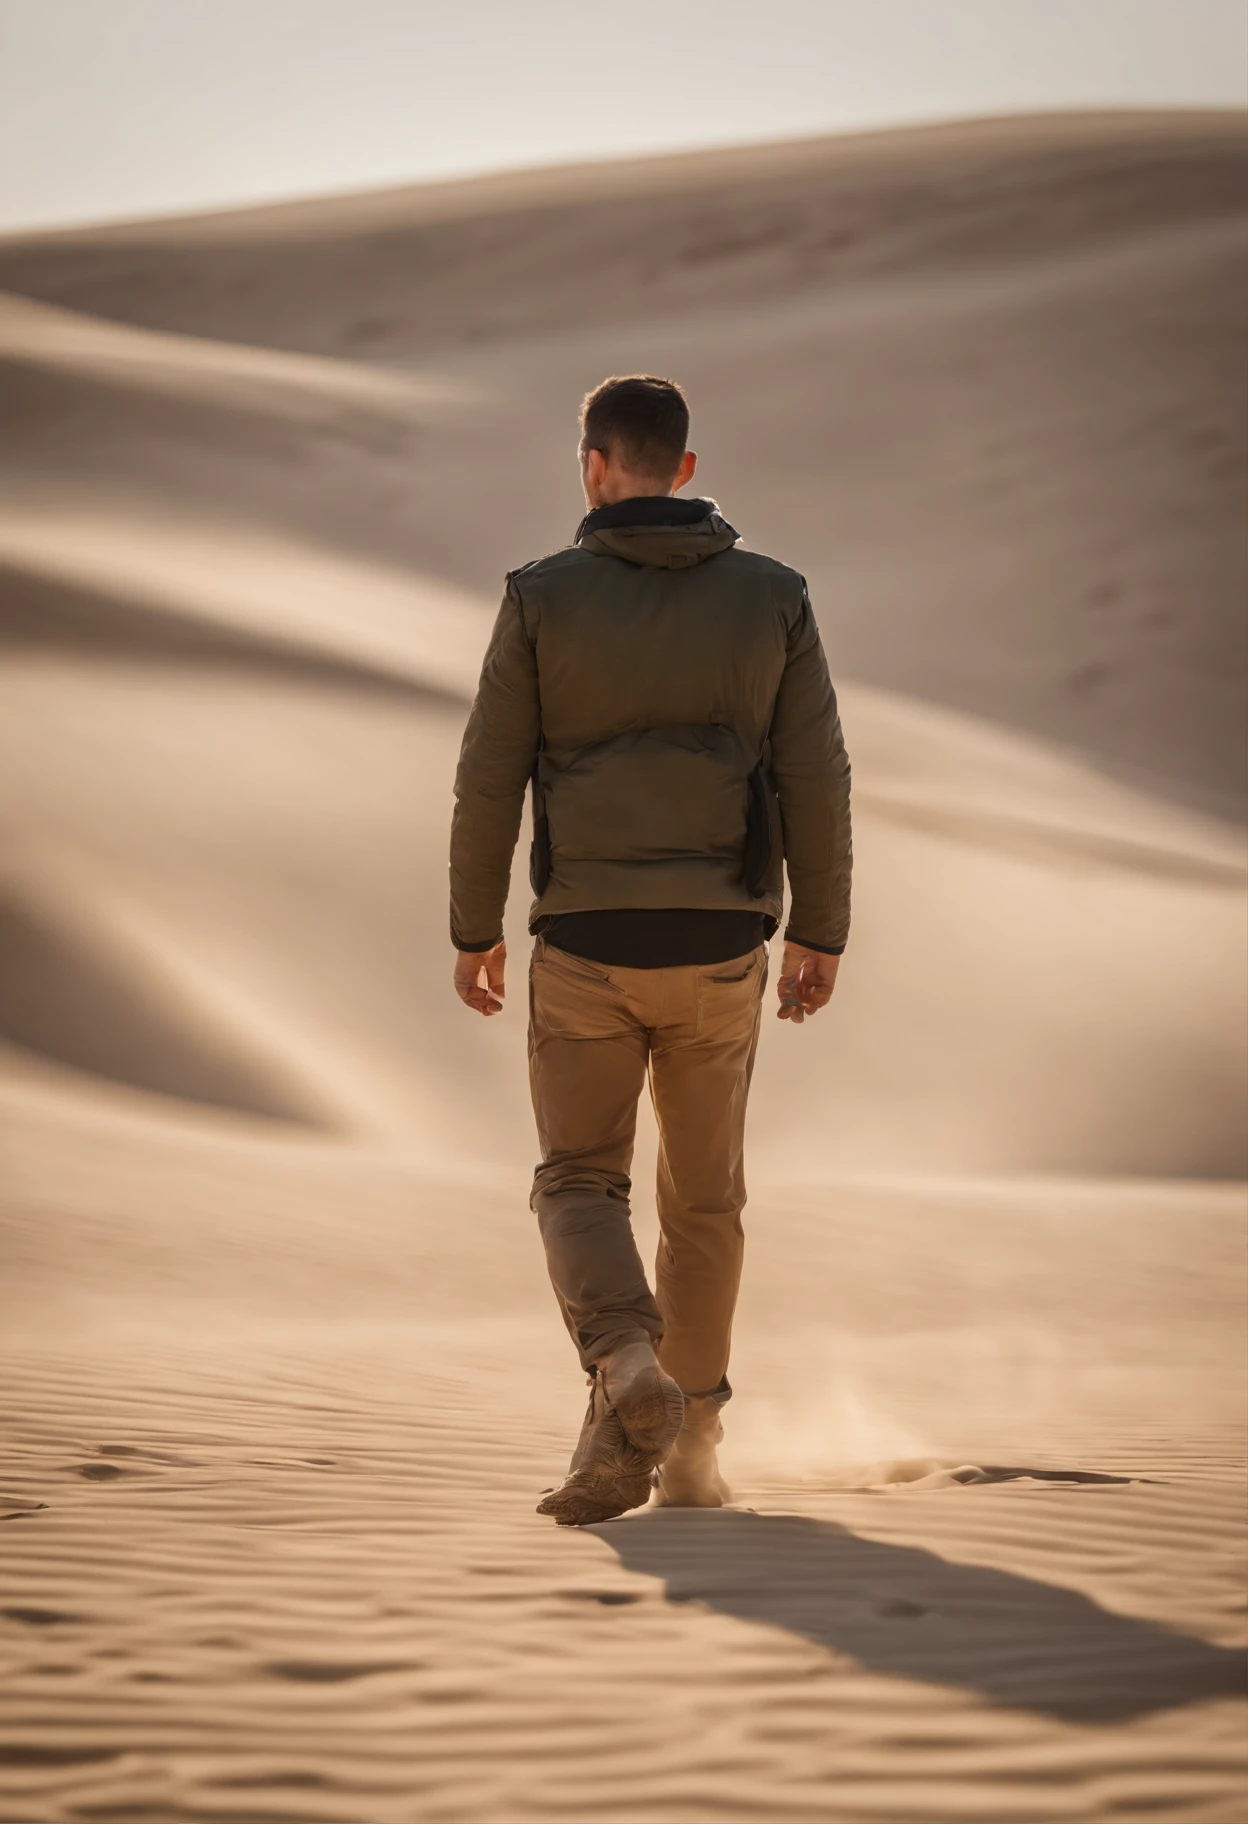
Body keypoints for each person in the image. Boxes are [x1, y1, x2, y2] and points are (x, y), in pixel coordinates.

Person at [449, 375, 851, 1526]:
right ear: (682, 469)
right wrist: (821, 926)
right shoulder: (775, 596)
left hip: (584, 943)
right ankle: (694, 1446)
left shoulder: (540, 598)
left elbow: (489, 778)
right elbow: (816, 772)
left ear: (592, 466)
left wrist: (475, 929)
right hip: (723, 943)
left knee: (579, 1180)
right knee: (704, 1204)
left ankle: (627, 1364)